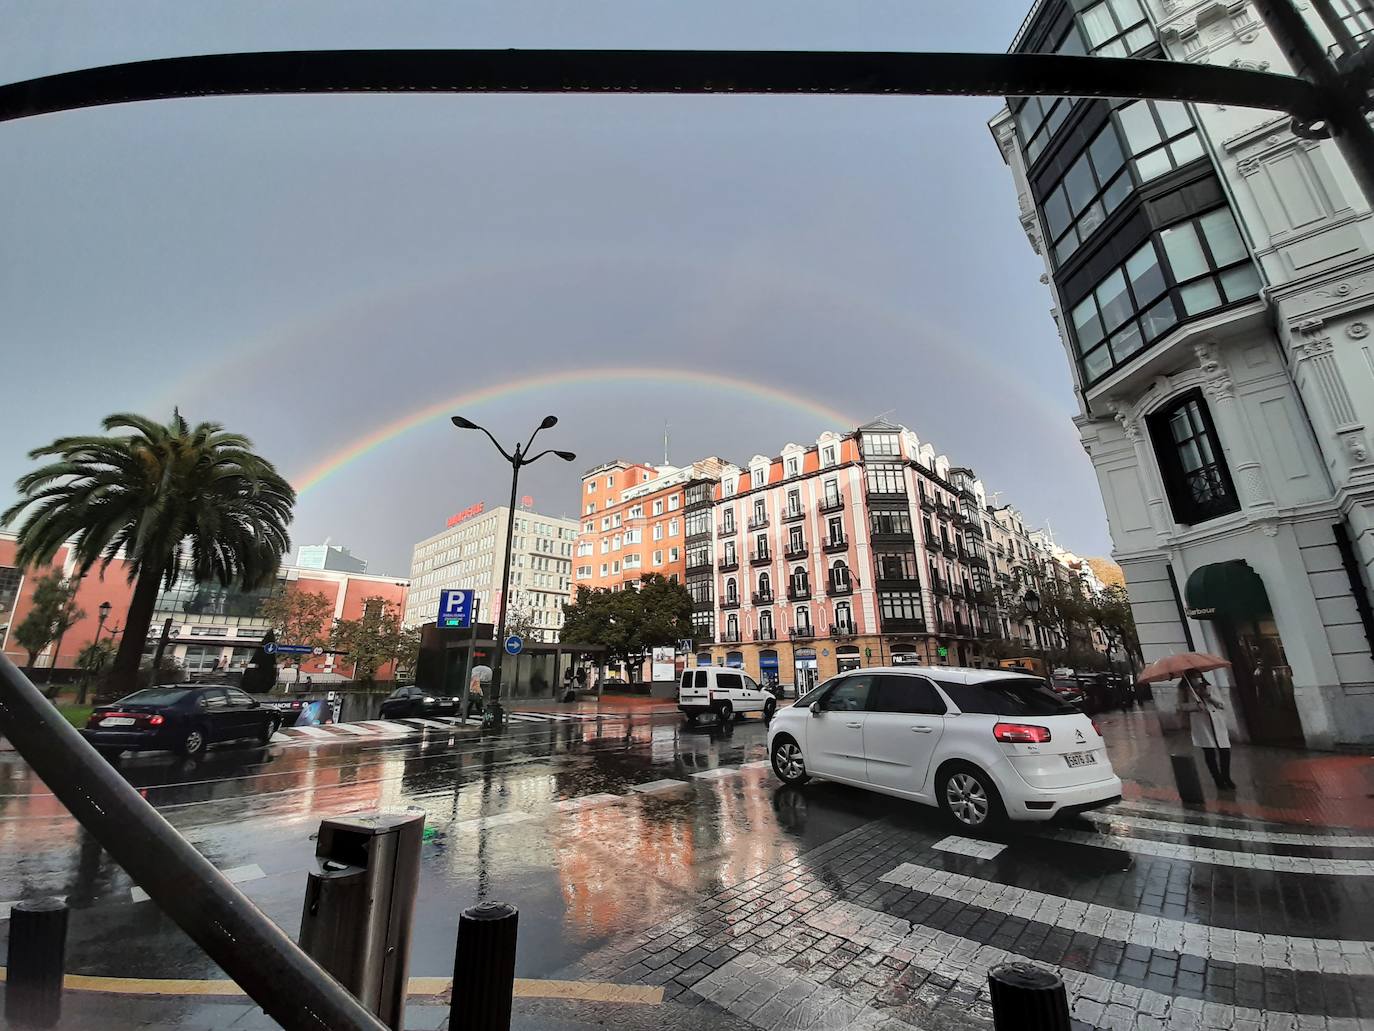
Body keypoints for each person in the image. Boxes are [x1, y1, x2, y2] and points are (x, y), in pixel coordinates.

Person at [1178, 670, 1234, 789]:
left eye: (1198, 676)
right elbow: (1180, 706)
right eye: (1193, 677)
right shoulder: (1185, 691)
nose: (1197, 679)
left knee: (1225, 750)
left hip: (1216, 722)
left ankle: (1226, 777)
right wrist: (1195, 706)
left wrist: (1209, 696)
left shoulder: (1209, 688)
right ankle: (1218, 779)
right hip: (1202, 724)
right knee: (1209, 753)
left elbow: (1221, 704)